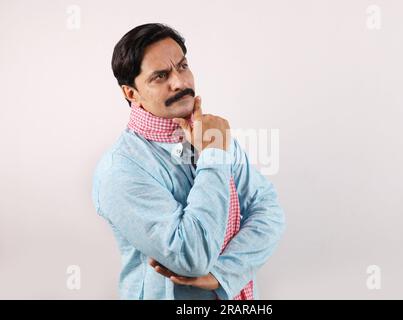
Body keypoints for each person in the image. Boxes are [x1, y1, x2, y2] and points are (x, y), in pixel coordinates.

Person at [91, 23, 285, 300]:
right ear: (131, 93)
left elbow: (268, 211)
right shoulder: (120, 170)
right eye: (160, 76)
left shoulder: (210, 134)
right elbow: (191, 256)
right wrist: (214, 155)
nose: (180, 82)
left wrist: (222, 274)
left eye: (182, 66)